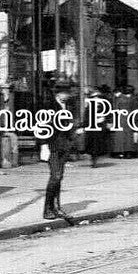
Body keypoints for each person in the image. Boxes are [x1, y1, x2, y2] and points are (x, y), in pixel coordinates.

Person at [40, 79, 79, 222]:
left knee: (59, 176)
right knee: (55, 176)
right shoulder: (48, 106)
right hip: (52, 145)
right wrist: (43, 145)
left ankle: (56, 207)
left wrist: (74, 133)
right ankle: (47, 209)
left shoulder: (68, 105)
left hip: (64, 145)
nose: (67, 95)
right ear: (59, 93)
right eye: (65, 93)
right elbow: (41, 126)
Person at [83, 85, 111, 167]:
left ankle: (94, 158)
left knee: (97, 143)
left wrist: (106, 120)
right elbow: (87, 115)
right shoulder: (90, 104)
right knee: (92, 143)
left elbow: (108, 113)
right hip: (92, 125)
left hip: (99, 125)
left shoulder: (103, 104)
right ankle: (93, 158)